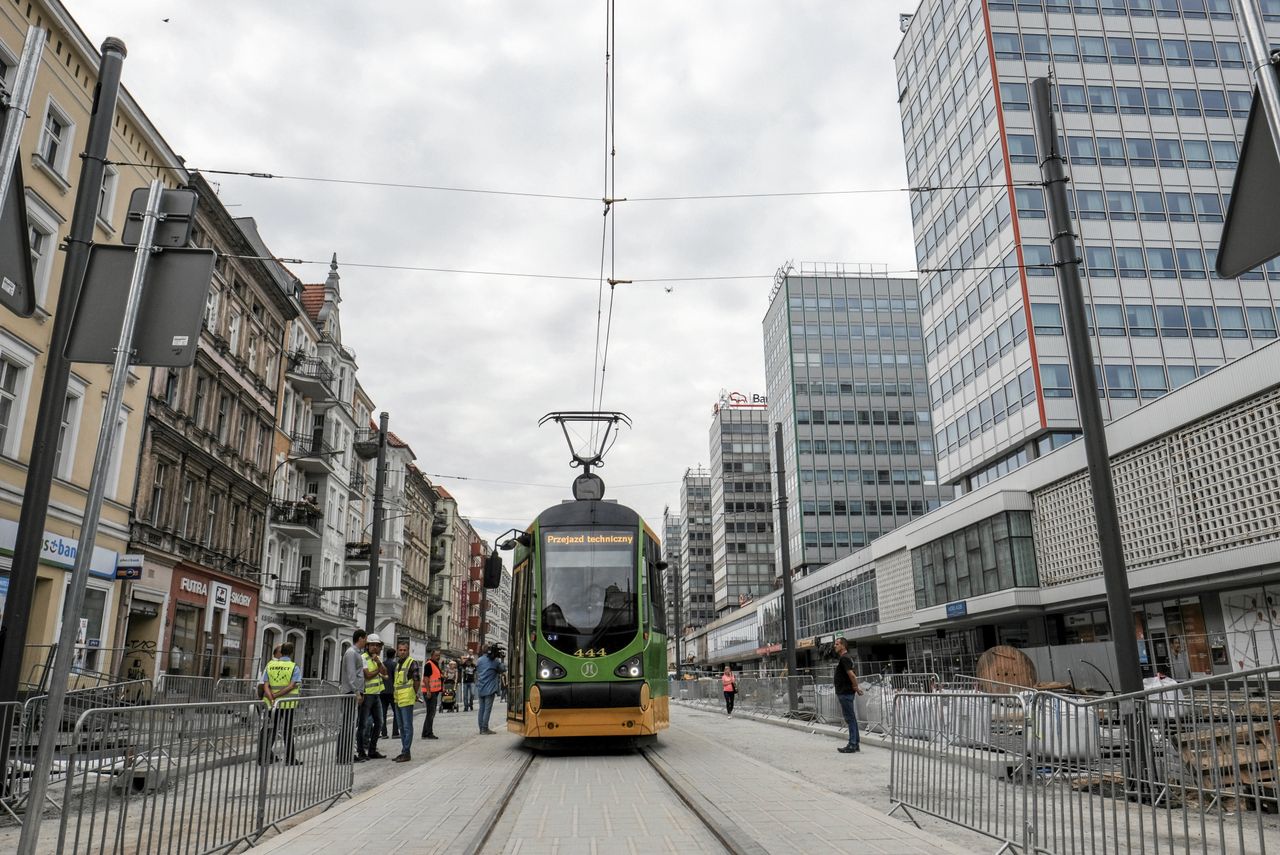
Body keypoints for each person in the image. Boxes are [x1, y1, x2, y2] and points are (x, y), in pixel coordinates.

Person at [258, 642, 302, 766]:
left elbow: (265, 684)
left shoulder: (270, 665)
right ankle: (290, 758)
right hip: (287, 704)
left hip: (271, 704)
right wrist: (277, 696)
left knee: (270, 729)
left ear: (281, 652)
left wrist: (272, 696)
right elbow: (292, 685)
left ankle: (263, 757)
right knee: (287, 732)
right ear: (292, 653)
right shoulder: (294, 667)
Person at [338, 630, 366, 763]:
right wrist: (357, 692)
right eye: (365, 639)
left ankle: (346, 753)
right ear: (360, 638)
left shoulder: (355, 653)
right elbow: (351, 675)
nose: (365, 642)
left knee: (350, 724)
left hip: (353, 692)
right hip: (350, 693)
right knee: (348, 725)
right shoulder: (351, 653)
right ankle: (344, 755)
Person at [360, 633, 389, 760]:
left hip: (377, 694)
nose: (375, 648)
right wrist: (378, 668)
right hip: (367, 695)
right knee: (363, 724)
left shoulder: (377, 659)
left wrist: (379, 663)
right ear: (367, 646)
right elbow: (368, 675)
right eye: (372, 645)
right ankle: (361, 750)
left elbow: (385, 672)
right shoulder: (363, 658)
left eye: (377, 645)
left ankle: (372, 750)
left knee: (379, 723)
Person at [391, 641, 420, 762]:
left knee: (407, 726)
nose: (402, 652)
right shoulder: (398, 664)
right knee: (401, 727)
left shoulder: (412, 662)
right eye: (400, 650)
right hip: (398, 698)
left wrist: (414, 693)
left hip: (407, 698)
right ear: (397, 651)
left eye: (404, 650)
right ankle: (404, 750)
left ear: (408, 651)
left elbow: (416, 680)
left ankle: (406, 752)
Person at [832, 638, 863, 754]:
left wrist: (856, 687)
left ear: (843, 646)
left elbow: (852, 675)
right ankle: (856, 743)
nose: (835, 646)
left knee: (850, 719)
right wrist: (855, 688)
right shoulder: (847, 658)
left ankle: (852, 744)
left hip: (845, 692)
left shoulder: (844, 658)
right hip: (846, 692)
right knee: (852, 718)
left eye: (837, 644)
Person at [475, 644, 506, 734]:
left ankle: (481, 728)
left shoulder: (479, 660)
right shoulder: (494, 661)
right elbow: (502, 669)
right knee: (487, 709)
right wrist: (502, 659)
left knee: (481, 709)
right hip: (490, 688)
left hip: (481, 687)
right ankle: (485, 728)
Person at [419, 649, 444, 739]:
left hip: (434, 692)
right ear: (432, 655)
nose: (438, 657)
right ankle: (428, 733)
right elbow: (426, 678)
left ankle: (425, 733)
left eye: (439, 655)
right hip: (430, 692)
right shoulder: (429, 664)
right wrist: (428, 691)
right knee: (431, 713)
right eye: (436, 655)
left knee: (430, 713)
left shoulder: (435, 664)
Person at [380, 644, 398, 738]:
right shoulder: (395, 665)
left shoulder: (382, 664)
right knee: (396, 712)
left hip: (382, 691)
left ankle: (384, 733)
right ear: (394, 655)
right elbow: (396, 678)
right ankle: (395, 733)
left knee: (383, 712)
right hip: (392, 691)